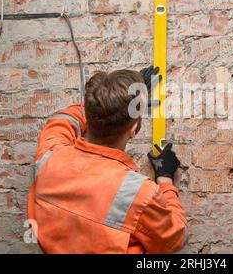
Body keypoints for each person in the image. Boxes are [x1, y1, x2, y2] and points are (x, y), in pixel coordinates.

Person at [27, 67, 187, 253]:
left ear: (89, 113)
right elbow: (175, 238)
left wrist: (111, 100)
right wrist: (165, 179)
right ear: (133, 129)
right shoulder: (137, 193)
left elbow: (65, 119)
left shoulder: (50, 156)